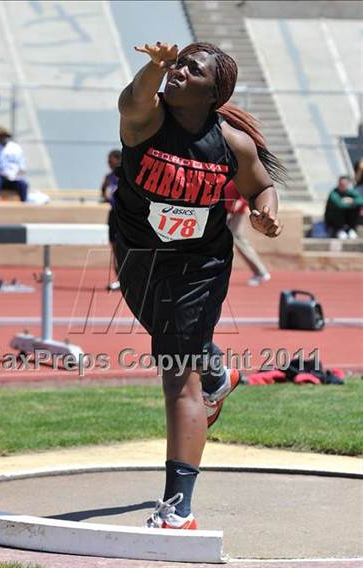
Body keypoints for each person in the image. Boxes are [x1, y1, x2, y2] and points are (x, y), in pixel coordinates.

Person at [115, 41, 284, 530]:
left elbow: (261, 186)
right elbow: (133, 98)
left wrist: (267, 212)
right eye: (178, 63)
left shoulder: (232, 143)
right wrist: (155, 65)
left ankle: (177, 508)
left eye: (193, 68)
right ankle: (215, 373)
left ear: (215, 92)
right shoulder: (145, 120)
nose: (179, 72)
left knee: (175, 370)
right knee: (170, 340)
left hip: (199, 262)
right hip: (138, 253)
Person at [225, 179, 271, 285]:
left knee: (237, 239)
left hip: (235, 213)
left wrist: (239, 204)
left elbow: (247, 192)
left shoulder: (238, 170)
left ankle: (260, 272)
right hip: (225, 211)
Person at [0, 126, 28, 202]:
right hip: (0, 178)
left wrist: (15, 175)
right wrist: (3, 174)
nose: (1, 137)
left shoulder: (16, 148)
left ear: (7, 136)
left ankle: (24, 206)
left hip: (15, 178)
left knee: (23, 183)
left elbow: (22, 167)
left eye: (3, 135)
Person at [101, 149, 122, 291]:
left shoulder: (126, 175)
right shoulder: (108, 177)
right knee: (114, 248)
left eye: (111, 160)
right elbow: (104, 194)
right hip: (113, 214)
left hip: (123, 215)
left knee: (123, 247)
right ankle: (119, 279)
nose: (108, 163)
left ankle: (127, 279)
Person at [324, 175, 363, 239]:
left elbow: (361, 200)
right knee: (339, 210)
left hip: (347, 218)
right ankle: (339, 230)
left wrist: (352, 201)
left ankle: (350, 229)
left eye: (344, 184)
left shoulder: (349, 192)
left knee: (356, 208)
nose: (342, 186)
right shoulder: (334, 193)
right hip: (333, 220)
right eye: (341, 184)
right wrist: (347, 203)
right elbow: (339, 204)